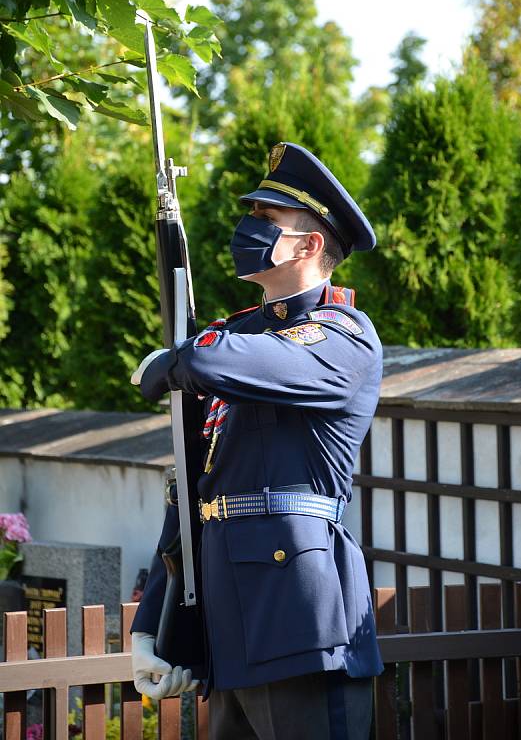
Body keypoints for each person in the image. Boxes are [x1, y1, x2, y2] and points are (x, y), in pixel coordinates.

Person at [130, 142, 384, 739]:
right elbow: (196, 492)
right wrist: (152, 625)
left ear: (310, 245)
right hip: (228, 621)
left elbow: (218, 361)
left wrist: (179, 357)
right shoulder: (236, 338)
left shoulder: (343, 336)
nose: (248, 229)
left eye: (268, 220)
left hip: (301, 618)